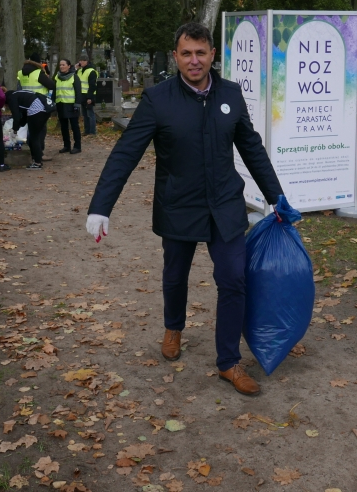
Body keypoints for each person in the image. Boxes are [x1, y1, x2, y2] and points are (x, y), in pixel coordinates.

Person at [85, 23, 284, 396]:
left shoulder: (230, 94)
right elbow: (125, 153)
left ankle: (228, 361)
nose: (194, 60)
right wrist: (101, 207)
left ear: (212, 56)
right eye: (186, 53)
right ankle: (173, 326)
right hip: (178, 206)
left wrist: (277, 196)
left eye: (201, 53)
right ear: (175, 56)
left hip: (225, 206)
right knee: (175, 276)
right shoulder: (158, 99)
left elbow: (251, 148)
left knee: (234, 280)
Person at [17, 55, 55, 162]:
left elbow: (19, 87)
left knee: (29, 129)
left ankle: (31, 151)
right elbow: (51, 85)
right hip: (39, 104)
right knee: (40, 130)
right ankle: (40, 153)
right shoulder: (38, 73)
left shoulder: (20, 72)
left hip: (25, 103)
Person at [54, 58, 83, 155]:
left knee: (74, 126)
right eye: (60, 65)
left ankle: (77, 146)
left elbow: (78, 92)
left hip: (71, 105)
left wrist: (77, 105)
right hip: (60, 104)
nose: (61, 66)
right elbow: (54, 90)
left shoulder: (74, 77)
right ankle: (66, 146)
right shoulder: (57, 77)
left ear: (69, 66)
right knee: (63, 127)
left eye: (63, 65)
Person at [76, 56, 98, 136]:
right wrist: (76, 68)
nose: (81, 62)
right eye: (80, 60)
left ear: (87, 62)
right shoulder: (79, 71)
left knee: (90, 114)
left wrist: (90, 97)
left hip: (89, 95)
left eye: (83, 60)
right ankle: (87, 130)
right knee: (84, 114)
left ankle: (92, 131)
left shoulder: (91, 71)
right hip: (82, 94)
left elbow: (92, 85)